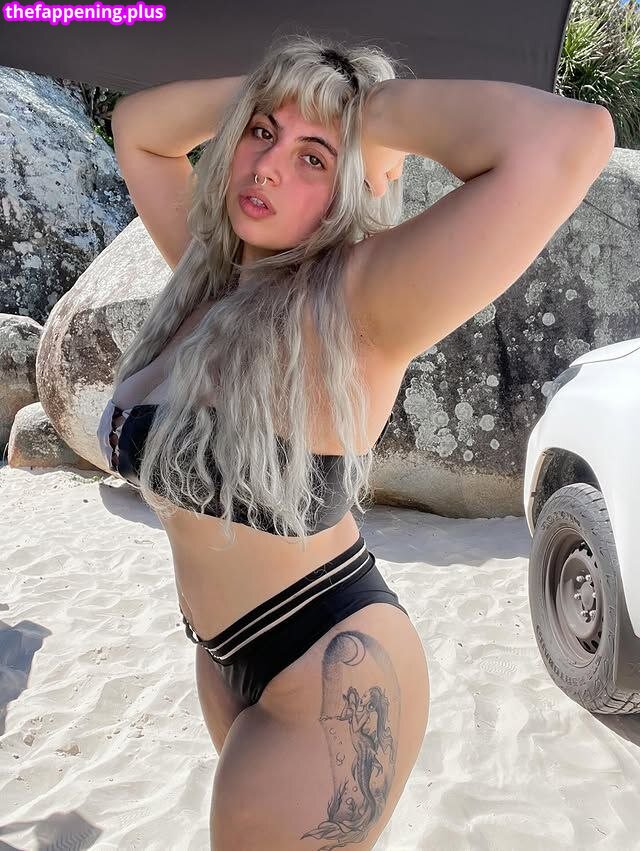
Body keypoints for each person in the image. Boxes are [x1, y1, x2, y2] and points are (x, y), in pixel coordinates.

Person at [96, 31, 613, 850]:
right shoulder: (209, 278)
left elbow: (572, 139)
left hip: (331, 669)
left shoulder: (360, 299)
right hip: (226, 651)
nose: (268, 167)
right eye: (260, 132)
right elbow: (138, 130)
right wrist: (290, 89)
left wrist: (363, 111)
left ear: (355, 181)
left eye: (314, 157)